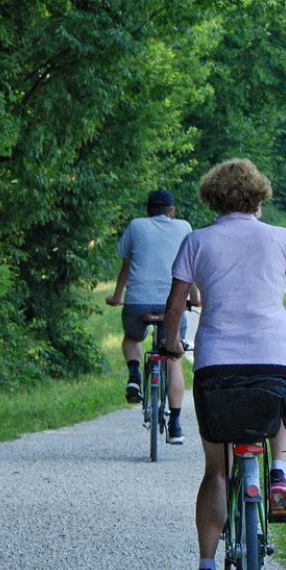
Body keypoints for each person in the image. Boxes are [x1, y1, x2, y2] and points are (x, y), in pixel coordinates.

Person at [161, 158, 286, 570]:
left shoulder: (197, 240)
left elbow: (175, 308)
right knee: (283, 398)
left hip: (217, 366)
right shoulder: (282, 239)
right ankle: (277, 476)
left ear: (212, 197)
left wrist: (173, 344)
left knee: (216, 470)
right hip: (271, 355)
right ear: (260, 196)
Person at [106, 188, 194, 443]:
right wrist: (196, 296)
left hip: (138, 302)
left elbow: (126, 265)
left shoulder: (136, 226)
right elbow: (189, 268)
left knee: (132, 338)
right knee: (173, 357)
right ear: (171, 211)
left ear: (147, 210)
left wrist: (116, 295)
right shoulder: (184, 226)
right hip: (172, 303)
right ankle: (176, 426)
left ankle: (134, 377)